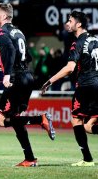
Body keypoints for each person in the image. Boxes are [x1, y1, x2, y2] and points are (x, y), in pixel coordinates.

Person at [0, 3, 55, 167]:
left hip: (17, 79)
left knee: (1, 119)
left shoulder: (1, 32)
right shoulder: (18, 32)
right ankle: (30, 158)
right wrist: (6, 66)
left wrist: (7, 73)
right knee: (14, 119)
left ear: (4, 16)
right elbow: (27, 58)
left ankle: (40, 119)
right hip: (27, 75)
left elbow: (11, 51)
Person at [41, 10, 98, 167]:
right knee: (88, 126)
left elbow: (70, 68)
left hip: (86, 85)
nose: (67, 23)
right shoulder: (96, 39)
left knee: (76, 120)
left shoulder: (78, 42)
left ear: (78, 24)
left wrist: (49, 81)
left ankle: (87, 159)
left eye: (70, 20)